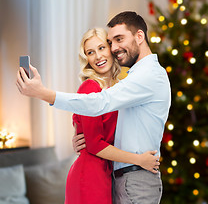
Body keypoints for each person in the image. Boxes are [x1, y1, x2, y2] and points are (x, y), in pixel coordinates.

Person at [16, 11, 171, 204]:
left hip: (123, 175)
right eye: (91, 52)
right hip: (99, 174)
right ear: (86, 58)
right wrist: (84, 138)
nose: (113, 48)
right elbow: (97, 130)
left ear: (139, 36)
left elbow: (100, 109)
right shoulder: (97, 86)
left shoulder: (140, 78)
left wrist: (43, 93)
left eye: (106, 45)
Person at [65, 27, 159, 204]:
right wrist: (139, 160)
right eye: (90, 52)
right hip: (90, 175)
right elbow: (94, 145)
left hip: (108, 173)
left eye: (101, 48)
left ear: (111, 49)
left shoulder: (119, 89)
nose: (98, 56)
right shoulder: (90, 88)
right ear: (86, 59)